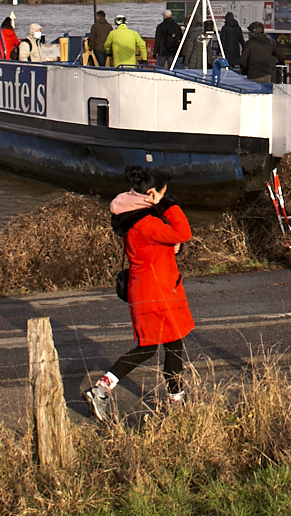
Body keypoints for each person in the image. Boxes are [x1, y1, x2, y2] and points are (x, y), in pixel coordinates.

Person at [83, 168, 193, 419]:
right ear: (152, 194)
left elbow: (159, 245)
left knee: (163, 345)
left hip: (148, 288)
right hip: (158, 293)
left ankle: (175, 399)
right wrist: (167, 205)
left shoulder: (132, 216)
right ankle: (103, 390)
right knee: (155, 346)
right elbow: (183, 232)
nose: (166, 198)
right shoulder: (148, 222)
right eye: (164, 194)